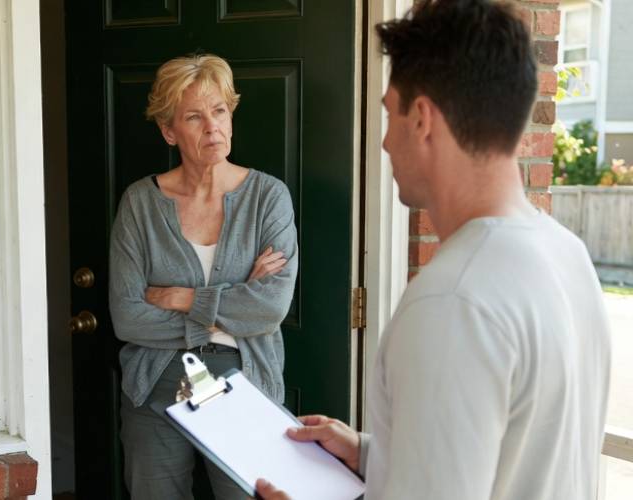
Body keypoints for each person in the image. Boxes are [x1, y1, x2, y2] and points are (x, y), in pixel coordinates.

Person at [256, 1, 611, 499]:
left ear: (421, 118)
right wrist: (371, 451)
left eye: (388, 114)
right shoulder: (567, 255)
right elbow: (517, 450)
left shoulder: (452, 302)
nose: (382, 142)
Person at [108, 54, 298, 500]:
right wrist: (232, 300)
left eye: (220, 111)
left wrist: (182, 297)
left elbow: (269, 307)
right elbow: (128, 317)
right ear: (169, 131)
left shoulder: (268, 197)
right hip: (154, 383)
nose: (212, 126)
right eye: (194, 116)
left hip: (244, 379)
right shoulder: (140, 203)